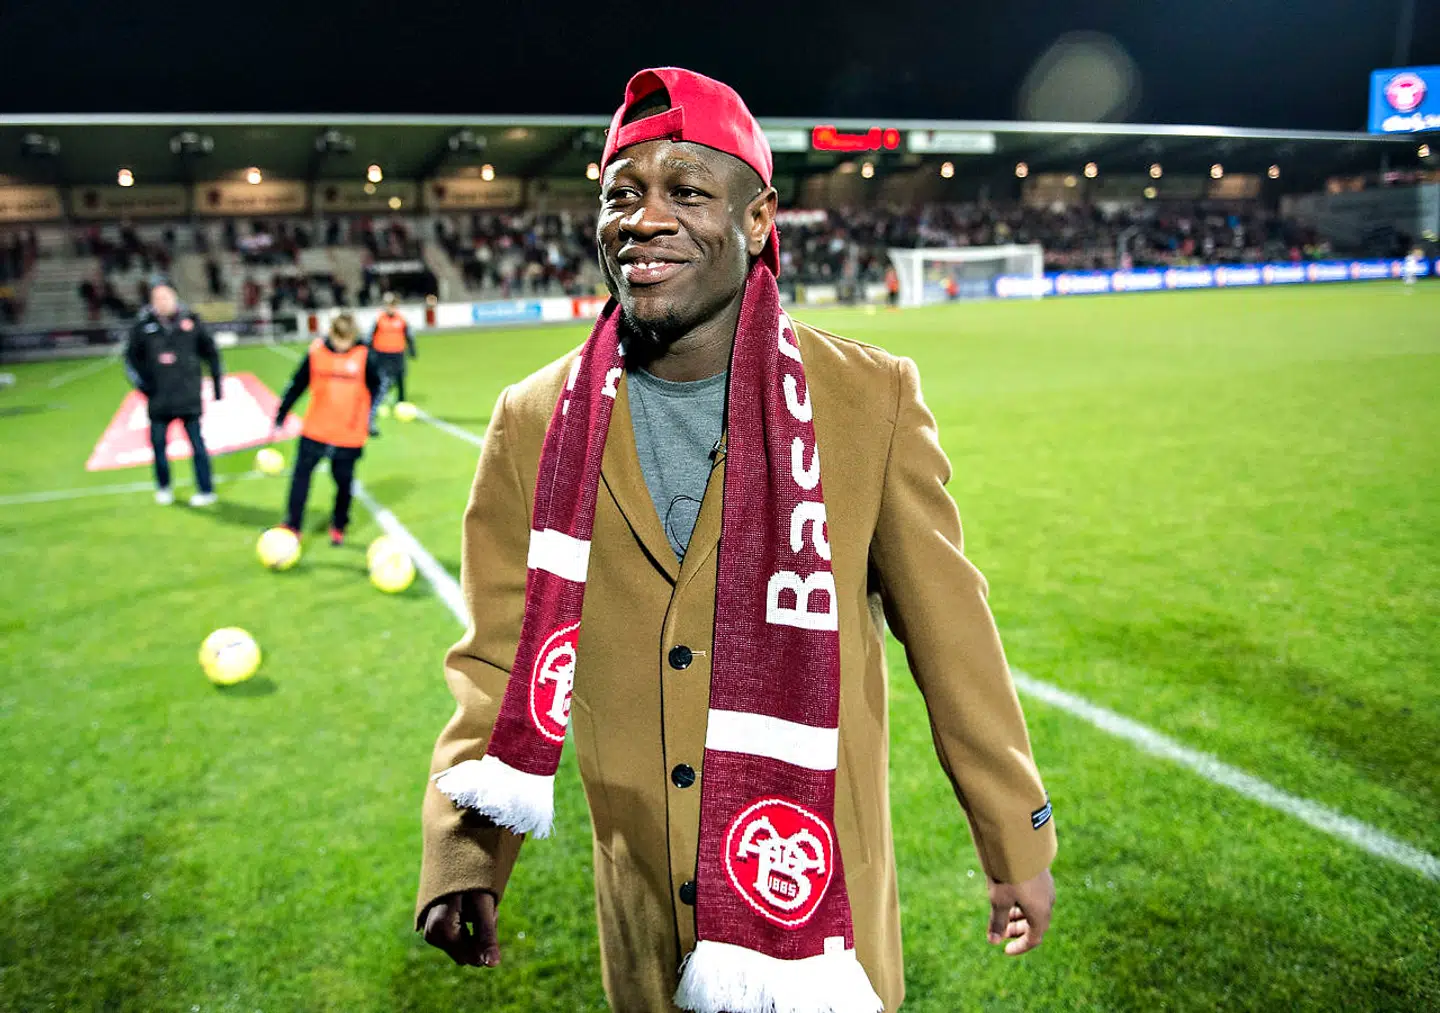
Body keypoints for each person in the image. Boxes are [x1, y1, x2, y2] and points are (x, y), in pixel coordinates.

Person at [416, 68, 1056, 1013]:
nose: (644, 219)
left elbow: (954, 636)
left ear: (758, 221)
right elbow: (500, 655)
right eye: (621, 195)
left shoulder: (867, 399)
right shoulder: (531, 419)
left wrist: (1015, 838)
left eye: (686, 192)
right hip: (645, 922)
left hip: (817, 917)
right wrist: (464, 848)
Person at [272, 312, 381, 547]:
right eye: (339, 339)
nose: (343, 345)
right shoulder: (316, 353)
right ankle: (292, 525)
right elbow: (297, 384)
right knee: (300, 477)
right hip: (315, 429)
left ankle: (339, 525)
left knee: (343, 482)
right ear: (331, 333)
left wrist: (369, 418)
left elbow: (378, 386)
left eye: (348, 340)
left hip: (348, 435)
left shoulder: (365, 356)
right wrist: (282, 412)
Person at [123, 277, 222, 506]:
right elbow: (130, 360)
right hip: (159, 400)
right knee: (158, 446)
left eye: (166, 296)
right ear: (151, 301)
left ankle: (206, 489)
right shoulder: (143, 327)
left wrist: (217, 387)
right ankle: (164, 487)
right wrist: (144, 386)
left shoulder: (192, 322)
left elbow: (211, 353)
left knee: (197, 445)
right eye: (157, 298)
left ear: (175, 297)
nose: (162, 301)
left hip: (188, 397)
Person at [368, 293, 418, 434]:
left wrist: (412, 350)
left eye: (393, 304)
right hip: (382, 354)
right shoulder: (379, 319)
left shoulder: (401, 319)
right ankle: (375, 406)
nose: (391, 307)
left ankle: (401, 401)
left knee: (401, 377)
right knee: (383, 380)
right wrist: (369, 351)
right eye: (389, 304)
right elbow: (370, 336)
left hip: (398, 354)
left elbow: (408, 335)